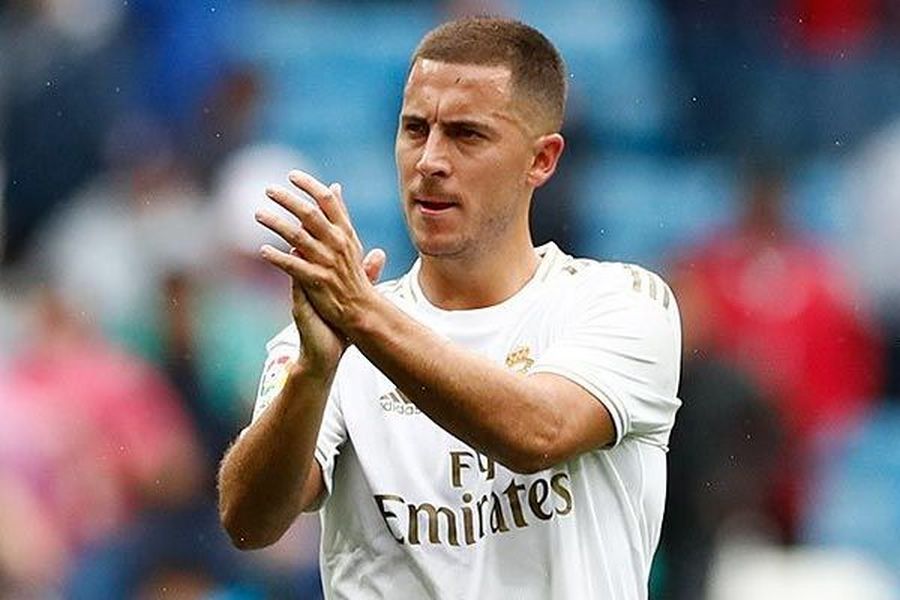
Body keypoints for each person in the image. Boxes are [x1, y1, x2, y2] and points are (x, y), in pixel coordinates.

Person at [218, 17, 682, 599]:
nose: (430, 160)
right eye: (415, 129)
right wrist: (311, 375)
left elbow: (538, 432)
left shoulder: (622, 303)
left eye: (467, 135)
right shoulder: (327, 335)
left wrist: (362, 315)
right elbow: (249, 522)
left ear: (541, 160)